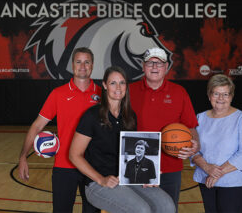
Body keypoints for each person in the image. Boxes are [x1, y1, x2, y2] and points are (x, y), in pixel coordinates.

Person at [69, 66, 176, 213]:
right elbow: (74, 155)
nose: (118, 87)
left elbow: (132, 155)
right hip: (97, 184)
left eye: (122, 83)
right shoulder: (92, 116)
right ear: (105, 85)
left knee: (167, 206)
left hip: (126, 178)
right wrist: (101, 179)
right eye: (113, 83)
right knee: (141, 210)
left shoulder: (130, 117)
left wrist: (146, 176)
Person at [18, 47, 101, 213]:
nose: (83, 66)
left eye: (87, 62)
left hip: (94, 167)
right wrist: (23, 157)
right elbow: (37, 125)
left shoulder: (103, 93)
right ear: (72, 65)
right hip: (64, 166)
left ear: (92, 65)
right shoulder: (58, 94)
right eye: (79, 62)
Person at [129, 47, 200, 212]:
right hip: (136, 166)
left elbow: (191, 127)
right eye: (150, 63)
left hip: (170, 167)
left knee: (168, 209)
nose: (154, 66)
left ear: (166, 66)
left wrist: (195, 144)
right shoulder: (128, 91)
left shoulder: (179, 92)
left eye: (159, 63)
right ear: (143, 66)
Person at [191, 74, 242, 213]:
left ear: (231, 96)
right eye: (216, 93)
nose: (220, 98)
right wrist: (207, 168)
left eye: (225, 94)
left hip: (234, 183)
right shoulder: (200, 118)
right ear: (209, 95)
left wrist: (216, 174)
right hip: (206, 180)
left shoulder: (241, 119)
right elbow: (193, 149)